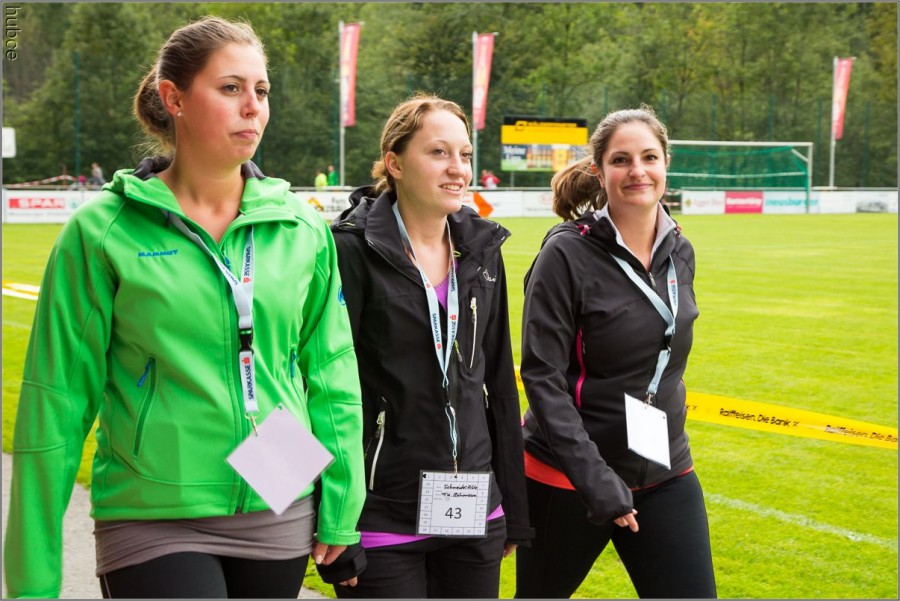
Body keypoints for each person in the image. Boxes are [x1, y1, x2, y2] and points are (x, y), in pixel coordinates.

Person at [3, 16, 366, 599]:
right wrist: (32, 583)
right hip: (154, 514)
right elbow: (56, 403)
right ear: (174, 98)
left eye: (261, 90)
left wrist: (342, 505)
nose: (253, 107)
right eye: (230, 88)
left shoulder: (301, 227)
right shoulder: (103, 231)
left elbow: (332, 373)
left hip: (279, 502)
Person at [329, 94, 533, 598]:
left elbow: (499, 385)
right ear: (395, 164)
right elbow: (322, 389)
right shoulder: (349, 250)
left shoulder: (482, 251)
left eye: (465, 154)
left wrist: (514, 508)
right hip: (382, 517)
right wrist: (334, 519)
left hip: (475, 509)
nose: (458, 169)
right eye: (439, 152)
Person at [516, 106, 716, 599]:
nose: (637, 171)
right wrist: (594, 477)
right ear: (599, 171)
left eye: (649, 157)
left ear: (666, 164)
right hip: (567, 475)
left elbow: (666, 353)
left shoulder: (680, 250)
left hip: (663, 469)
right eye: (621, 160)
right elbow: (542, 376)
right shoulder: (565, 254)